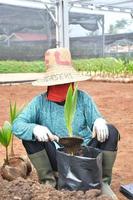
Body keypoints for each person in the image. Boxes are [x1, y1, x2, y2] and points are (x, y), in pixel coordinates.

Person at [12, 47, 120, 199]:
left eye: (65, 81)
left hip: (85, 155)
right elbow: (17, 125)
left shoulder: (83, 98)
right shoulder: (39, 103)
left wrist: (99, 121)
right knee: (29, 136)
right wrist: (34, 128)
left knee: (111, 131)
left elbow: (98, 122)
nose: (62, 86)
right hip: (58, 155)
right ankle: (49, 182)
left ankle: (101, 182)